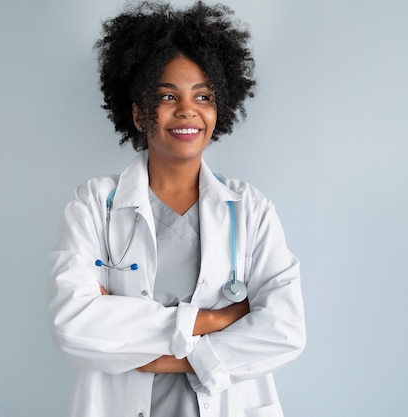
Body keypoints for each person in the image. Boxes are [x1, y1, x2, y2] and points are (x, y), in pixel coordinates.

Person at [47, 2, 306, 416]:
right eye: (168, 96)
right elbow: (73, 324)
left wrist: (173, 359)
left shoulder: (250, 209)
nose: (187, 110)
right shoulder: (95, 205)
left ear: (217, 109)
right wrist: (212, 321)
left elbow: (285, 330)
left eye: (203, 96)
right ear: (137, 113)